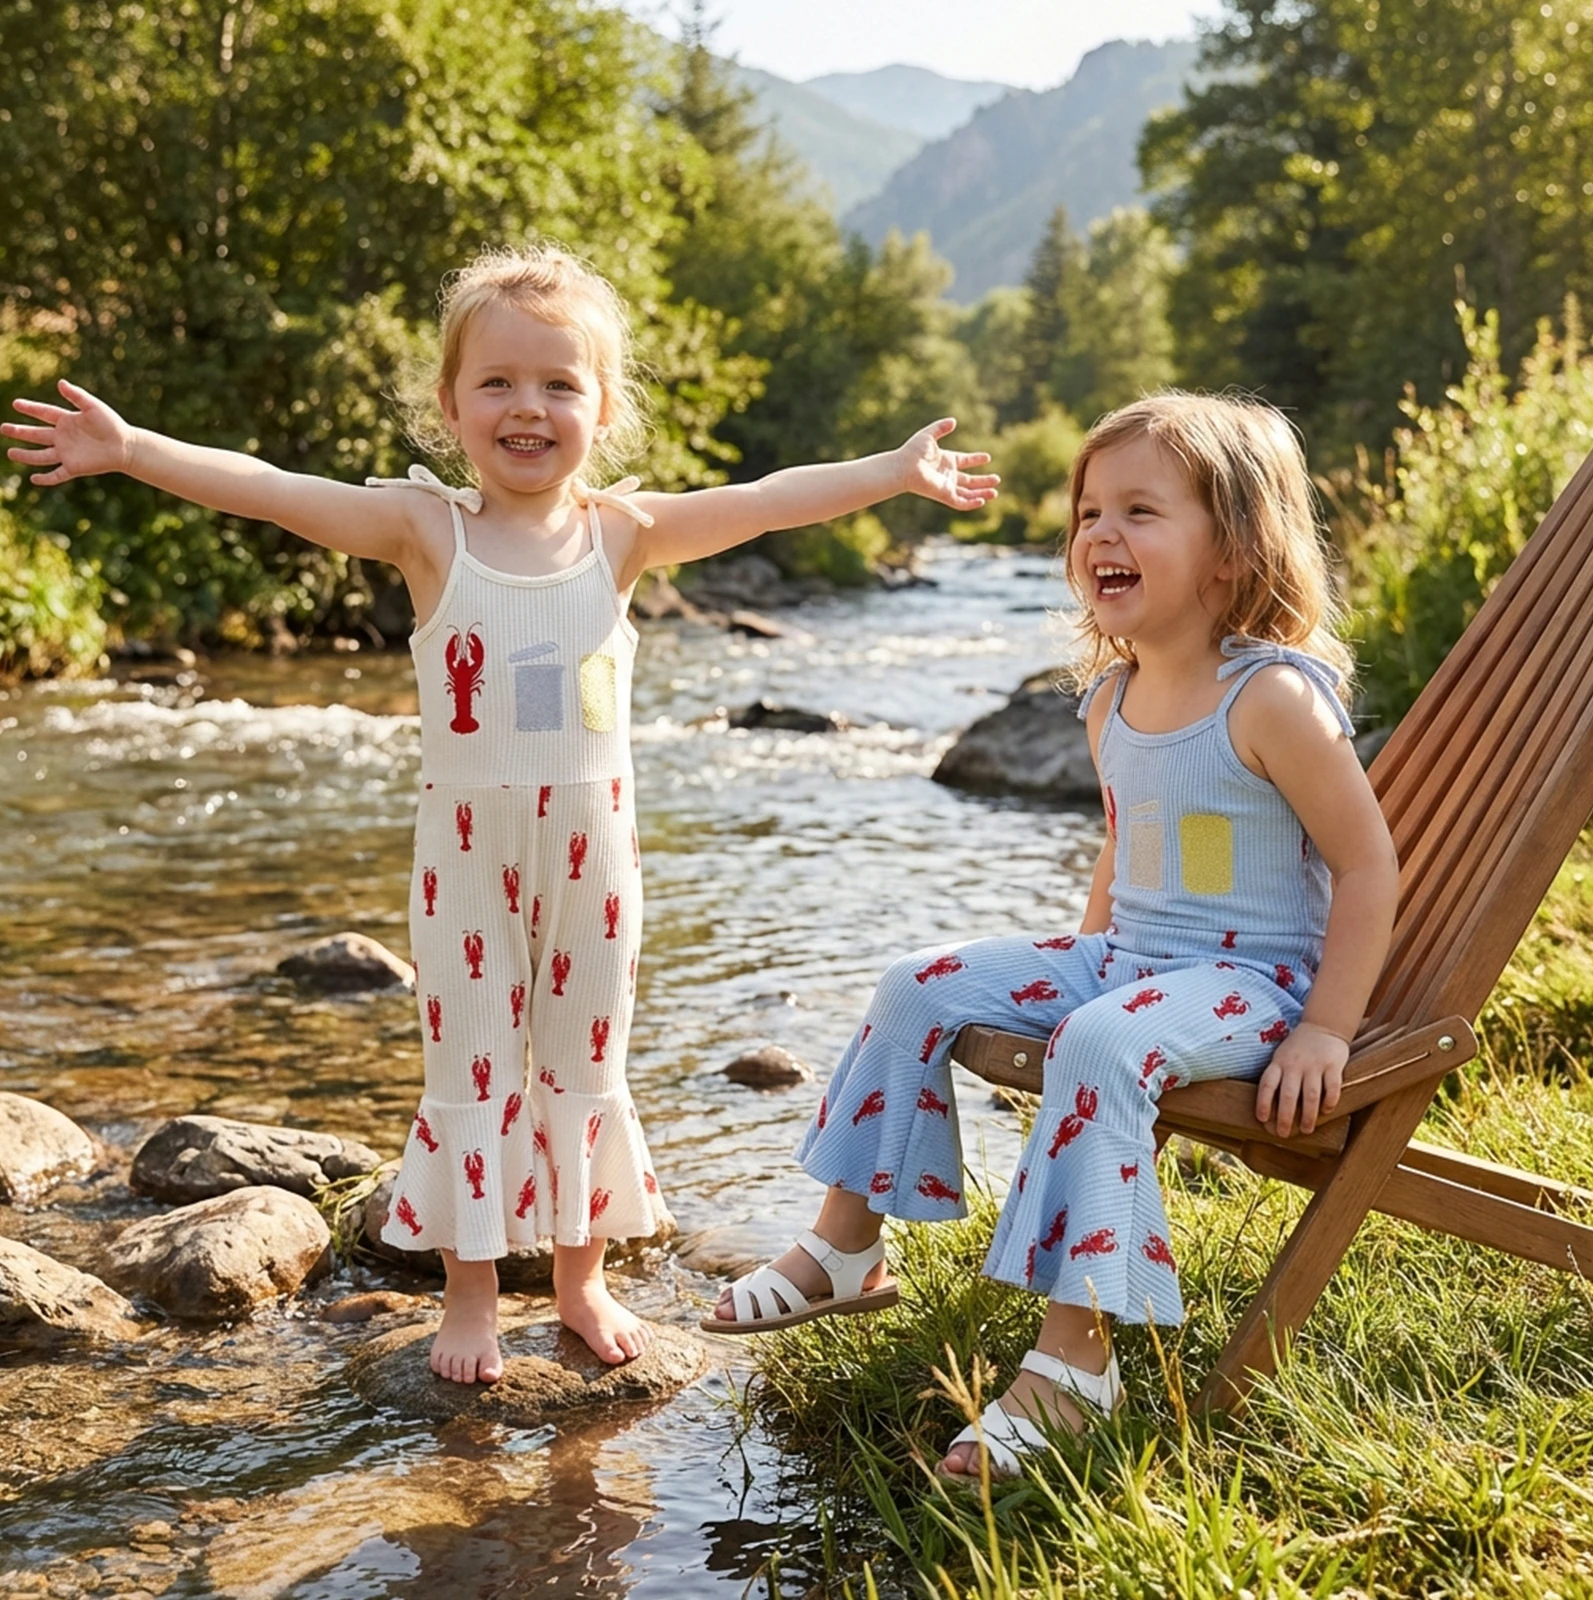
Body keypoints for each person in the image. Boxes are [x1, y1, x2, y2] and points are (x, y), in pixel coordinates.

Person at [2, 244, 998, 1385]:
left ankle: (581, 1278)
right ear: (451, 405)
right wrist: (134, 452)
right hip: (466, 857)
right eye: (499, 383)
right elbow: (275, 489)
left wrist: (890, 472)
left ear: (603, 407)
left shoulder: (624, 534)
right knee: (470, 1067)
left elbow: (768, 501)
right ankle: (470, 1294)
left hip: (594, 853)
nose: (528, 407)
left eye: (560, 384)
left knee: (584, 1063)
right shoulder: (431, 534)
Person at [704, 392, 1399, 1481]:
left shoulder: (1269, 699)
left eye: (1138, 511)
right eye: (1087, 514)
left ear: (1232, 550)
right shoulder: (1108, 698)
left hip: (1252, 984)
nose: (1100, 535)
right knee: (914, 984)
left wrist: (1324, 1030)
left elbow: (1367, 867)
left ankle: (1075, 1367)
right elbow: (1124, 855)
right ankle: (846, 1243)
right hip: (1132, 962)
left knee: (1100, 1044)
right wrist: (1074, 971)